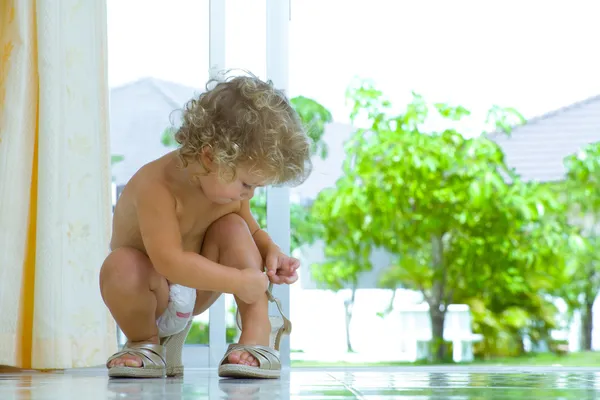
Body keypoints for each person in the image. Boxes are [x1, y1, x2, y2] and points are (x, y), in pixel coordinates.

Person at [99, 74, 311, 379]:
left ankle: (257, 331)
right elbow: (169, 262)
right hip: (153, 291)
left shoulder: (225, 187)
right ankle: (145, 342)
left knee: (233, 227)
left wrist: (271, 251)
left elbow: (251, 231)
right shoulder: (155, 186)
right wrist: (239, 281)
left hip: (199, 286)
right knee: (119, 265)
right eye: (247, 184)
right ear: (211, 157)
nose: (248, 194)